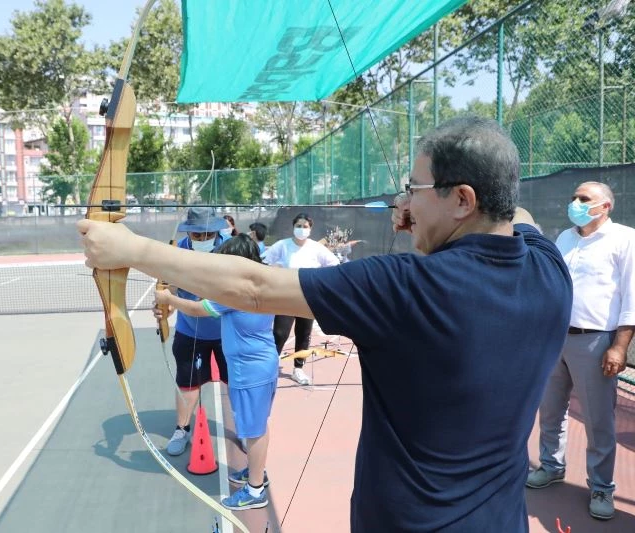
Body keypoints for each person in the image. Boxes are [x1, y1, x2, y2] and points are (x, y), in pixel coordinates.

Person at [77, 116, 572, 531]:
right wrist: (423, 211)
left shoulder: (410, 285)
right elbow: (518, 213)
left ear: (463, 199)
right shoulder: (550, 268)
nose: (406, 200)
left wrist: (132, 250)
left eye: (413, 188)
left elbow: (255, 288)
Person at [527, 181, 635, 521]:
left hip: (596, 341)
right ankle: (551, 465)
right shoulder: (565, 238)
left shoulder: (625, 240)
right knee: (550, 410)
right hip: (556, 337)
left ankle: (601, 487)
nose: (575, 202)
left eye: (584, 198)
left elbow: (632, 298)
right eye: (573, 196)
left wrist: (619, 346)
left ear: (605, 207)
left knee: (598, 419)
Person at [155, 234, 277, 511]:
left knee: (255, 430)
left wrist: (168, 298)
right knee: (258, 426)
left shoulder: (236, 292)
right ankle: (255, 473)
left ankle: (254, 490)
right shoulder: (265, 280)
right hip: (263, 362)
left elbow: (199, 308)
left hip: (249, 369)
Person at [157, 206, 231, 456]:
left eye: (208, 234)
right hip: (190, 331)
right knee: (187, 383)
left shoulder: (232, 248)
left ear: (217, 231)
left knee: (236, 384)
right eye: (197, 235)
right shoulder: (177, 250)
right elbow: (169, 289)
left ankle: (244, 429)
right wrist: (163, 310)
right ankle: (182, 427)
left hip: (228, 332)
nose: (202, 239)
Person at [263, 213, 339, 385]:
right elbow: (265, 262)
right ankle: (270, 367)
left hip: (309, 297)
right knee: (280, 333)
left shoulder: (316, 248)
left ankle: (298, 369)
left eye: (305, 226)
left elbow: (334, 264)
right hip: (287, 296)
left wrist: (320, 283)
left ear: (310, 229)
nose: (301, 229)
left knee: (303, 333)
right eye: (298, 225)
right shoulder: (282, 245)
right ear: (293, 227)